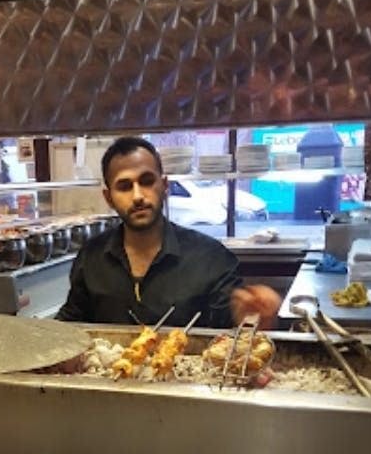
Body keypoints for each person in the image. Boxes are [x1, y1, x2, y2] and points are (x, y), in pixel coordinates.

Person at [56, 136, 280, 328]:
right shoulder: (91, 258)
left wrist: (255, 316)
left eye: (147, 181)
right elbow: (71, 324)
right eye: (124, 186)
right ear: (108, 198)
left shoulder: (211, 258)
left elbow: (234, 332)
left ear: (165, 186)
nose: (137, 196)